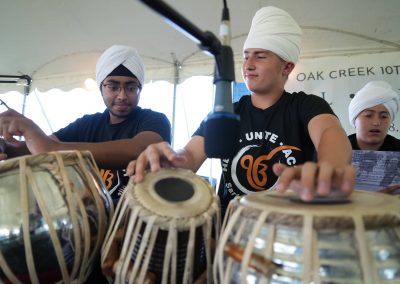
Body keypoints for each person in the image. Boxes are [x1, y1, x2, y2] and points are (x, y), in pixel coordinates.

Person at [126, 7, 355, 218]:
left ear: (287, 67)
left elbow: (330, 132)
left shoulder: (306, 106)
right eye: (246, 56)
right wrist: (169, 159)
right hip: (230, 228)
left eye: (260, 56)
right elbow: (191, 155)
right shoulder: (229, 111)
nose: (248, 64)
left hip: (287, 228)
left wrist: (331, 168)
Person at [0, 44, 171, 202]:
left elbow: (140, 149)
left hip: (134, 225)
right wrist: (4, 147)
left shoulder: (154, 120)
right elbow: (37, 147)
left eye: (131, 87)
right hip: (90, 222)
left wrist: (51, 148)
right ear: (101, 87)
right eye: (113, 87)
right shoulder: (87, 124)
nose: (122, 95)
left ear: (140, 89)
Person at [348, 80, 400, 151]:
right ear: (354, 119)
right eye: (368, 115)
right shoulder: (335, 149)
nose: (376, 123)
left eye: (383, 116)